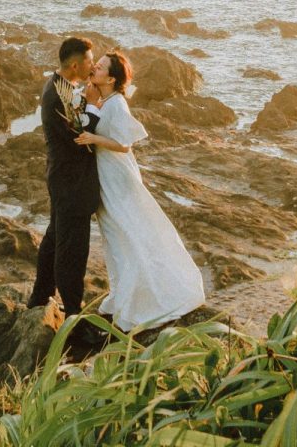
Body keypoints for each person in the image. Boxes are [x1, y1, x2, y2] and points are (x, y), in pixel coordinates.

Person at [74, 50, 206, 331]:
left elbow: (125, 144)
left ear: (110, 77)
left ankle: (145, 299)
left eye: (98, 68)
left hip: (117, 176)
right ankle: (124, 296)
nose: (93, 69)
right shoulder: (105, 99)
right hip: (106, 174)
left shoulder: (118, 103)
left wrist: (94, 137)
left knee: (129, 233)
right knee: (116, 238)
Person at [28, 36, 101, 321]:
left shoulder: (62, 86)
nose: (93, 64)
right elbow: (81, 138)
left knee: (55, 238)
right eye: (89, 60)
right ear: (74, 64)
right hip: (71, 183)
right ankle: (73, 312)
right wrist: (93, 105)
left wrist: (86, 99)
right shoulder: (59, 94)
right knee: (72, 248)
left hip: (63, 178)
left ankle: (39, 297)